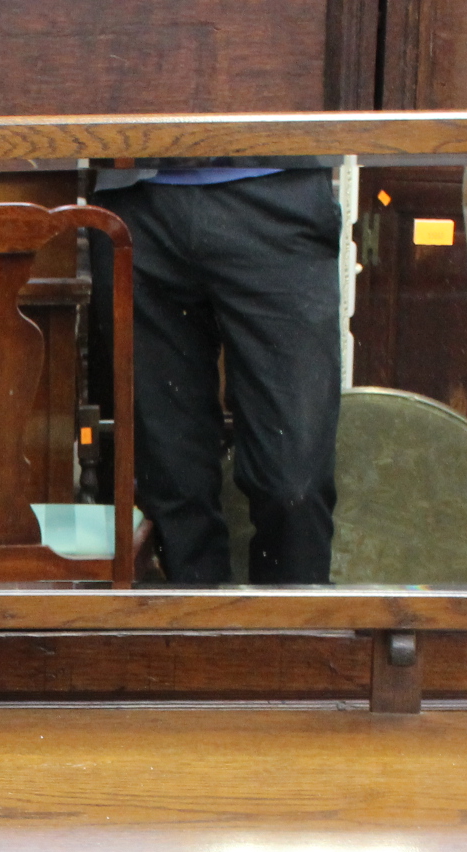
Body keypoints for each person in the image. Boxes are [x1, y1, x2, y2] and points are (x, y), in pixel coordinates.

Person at [92, 164, 343, 586]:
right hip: (135, 195)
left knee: (293, 483)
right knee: (171, 482)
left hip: (275, 181)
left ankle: (292, 645)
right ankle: (196, 646)